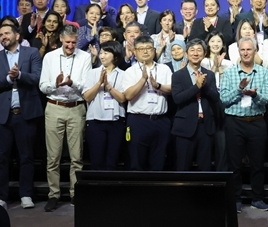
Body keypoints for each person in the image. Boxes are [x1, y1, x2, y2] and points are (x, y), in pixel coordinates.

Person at [0, 23, 43, 210]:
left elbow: (37, 78)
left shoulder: (31, 53)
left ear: (17, 35)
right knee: (1, 158)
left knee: (26, 157)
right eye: (0, 34)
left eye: (6, 33)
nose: (3, 37)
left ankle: (26, 194)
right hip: (2, 116)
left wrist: (19, 75)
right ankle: (1, 197)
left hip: (25, 114)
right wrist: (8, 79)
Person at [39, 25, 92, 211]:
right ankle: (53, 195)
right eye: (67, 42)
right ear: (61, 39)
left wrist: (72, 82)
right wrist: (55, 84)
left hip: (76, 108)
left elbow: (86, 85)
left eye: (73, 42)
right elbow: (42, 86)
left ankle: (75, 193)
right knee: (53, 157)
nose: (70, 45)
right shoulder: (50, 57)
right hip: (54, 107)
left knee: (77, 157)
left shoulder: (85, 57)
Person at [220, 36, 268, 212]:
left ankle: (257, 198)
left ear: (255, 51)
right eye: (242, 49)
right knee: (234, 164)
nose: (246, 53)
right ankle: (235, 199)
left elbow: (265, 100)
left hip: (257, 122)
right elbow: (224, 99)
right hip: (235, 122)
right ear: (238, 51)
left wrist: (254, 95)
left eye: (249, 49)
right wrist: (239, 89)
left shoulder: (263, 73)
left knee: (258, 163)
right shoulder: (229, 72)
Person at [122, 35, 173, 171]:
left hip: (161, 120)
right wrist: (143, 80)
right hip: (138, 121)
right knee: (136, 161)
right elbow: (128, 95)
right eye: (141, 49)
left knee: (159, 161)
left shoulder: (164, 69)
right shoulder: (130, 71)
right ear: (134, 51)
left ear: (154, 50)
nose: (145, 51)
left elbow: (172, 89)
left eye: (148, 48)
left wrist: (158, 86)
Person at [172, 39, 220, 171]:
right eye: (192, 50)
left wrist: (204, 86)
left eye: (199, 50)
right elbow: (177, 98)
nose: (195, 53)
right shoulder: (177, 75)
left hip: (206, 126)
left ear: (204, 54)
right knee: (182, 167)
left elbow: (215, 98)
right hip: (185, 127)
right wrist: (196, 87)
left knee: (205, 168)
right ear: (186, 54)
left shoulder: (209, 75)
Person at [82, 41, 127, 171]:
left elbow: (122, 98)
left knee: (112, 161)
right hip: (95, 121)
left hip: (116, 122)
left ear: (115, 55)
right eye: (101, 53)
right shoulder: (92, 73)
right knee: (96, 160)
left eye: (106, 53)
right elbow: (87, 97)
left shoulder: (123, 74)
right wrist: (99, 83)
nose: (102, 56)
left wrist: (108, 86)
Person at [200, 31, 233, 171]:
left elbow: (230, 84)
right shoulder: (202, 61)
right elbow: (204, 84)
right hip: (207, 103)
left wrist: (221, 69)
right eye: (212, 41)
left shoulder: (229, 63)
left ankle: (221, 173)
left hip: (223, 104)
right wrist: (215, 67)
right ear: (207, 43)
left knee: (222, 142)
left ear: (223, 44)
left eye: (219, 41)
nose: (215, 44)